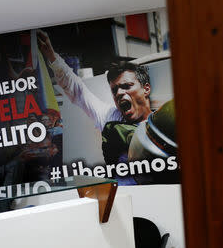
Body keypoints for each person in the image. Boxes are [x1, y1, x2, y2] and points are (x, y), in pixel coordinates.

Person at [37, 30, 153, 167]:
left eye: (127, 86)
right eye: (114, 90)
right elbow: (78, 90)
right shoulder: (110, 117)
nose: (119, 93)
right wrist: (52, 56)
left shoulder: (162, 121)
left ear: (146, 89)